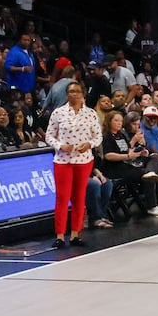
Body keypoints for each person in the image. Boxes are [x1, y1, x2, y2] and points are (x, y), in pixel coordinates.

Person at [44, 80, 102, 248]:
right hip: (63, 160)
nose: (73, 94)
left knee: (79, 197)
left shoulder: (90, 114)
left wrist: (89, 145)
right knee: (62, 197)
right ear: (66, 94)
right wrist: (60, 146)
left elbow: (98, 137)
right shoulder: (58, 113)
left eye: (77, 91)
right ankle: (60, 235)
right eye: (70, 91)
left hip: (83, 160)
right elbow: (49, 136)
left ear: (82, 93)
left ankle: (75, 234)